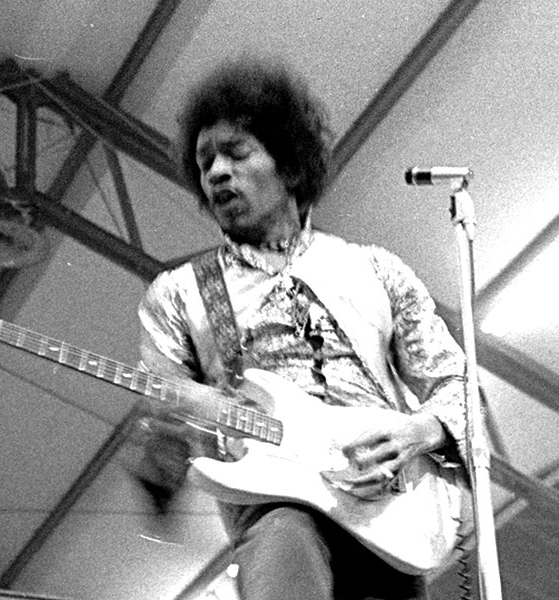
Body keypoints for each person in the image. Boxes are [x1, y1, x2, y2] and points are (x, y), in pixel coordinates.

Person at [131, 58, 470, 600]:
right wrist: (162, 455)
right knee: (284, 535)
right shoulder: (179, 294)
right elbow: (165, 422)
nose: (217, 171)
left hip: (392, 510)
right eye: (204, 163)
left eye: (237, 153)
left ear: (288, 165)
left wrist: (420, 432)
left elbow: (456, 384)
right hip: (275, 507)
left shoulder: (375, 268)